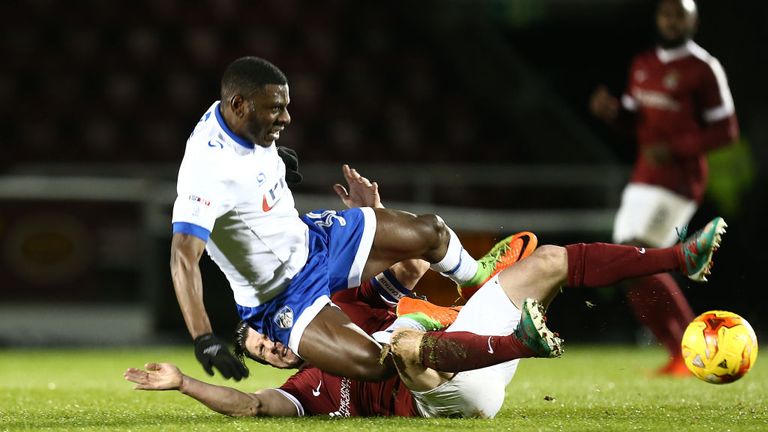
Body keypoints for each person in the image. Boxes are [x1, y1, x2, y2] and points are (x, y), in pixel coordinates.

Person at [127, 212, 726, 418]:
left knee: (546, 260)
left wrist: (376, 214)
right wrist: (184, 384)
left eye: (266, 336)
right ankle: (522, 341)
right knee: (402, 349)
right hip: (447, 392)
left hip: (470, 343)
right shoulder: (304, 389)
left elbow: (411, 270)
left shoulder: (338, 308)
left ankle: (682, 255)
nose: (274, 348)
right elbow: (253, 405)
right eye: (262, 349)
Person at [170, 56, 523, 382]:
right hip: (283, 295)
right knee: (379, 365)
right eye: (276, 109)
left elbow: (246, 159)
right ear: (239, 105)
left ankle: (476, 279)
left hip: (313, 241)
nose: (286, 118)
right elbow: (183, 258)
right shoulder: (207, 168)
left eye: (286, 107)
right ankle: (419, 321)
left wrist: (275, 161)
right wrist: (204, 337)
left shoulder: (235, 116)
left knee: (431, 232)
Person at [588, 0, 739, 375]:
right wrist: (613, 112)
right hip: (643, 178)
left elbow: (727, 131)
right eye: (666, 14)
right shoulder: (643, 64)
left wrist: (674, 149)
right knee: (627, 264)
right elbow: (636, 120)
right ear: (657, 18)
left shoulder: (703, 68)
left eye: (679, 15)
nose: (671, 21)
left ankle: (698, 344)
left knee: (643, 254)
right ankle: (678, 352)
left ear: (694, 20)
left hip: (678, 180)